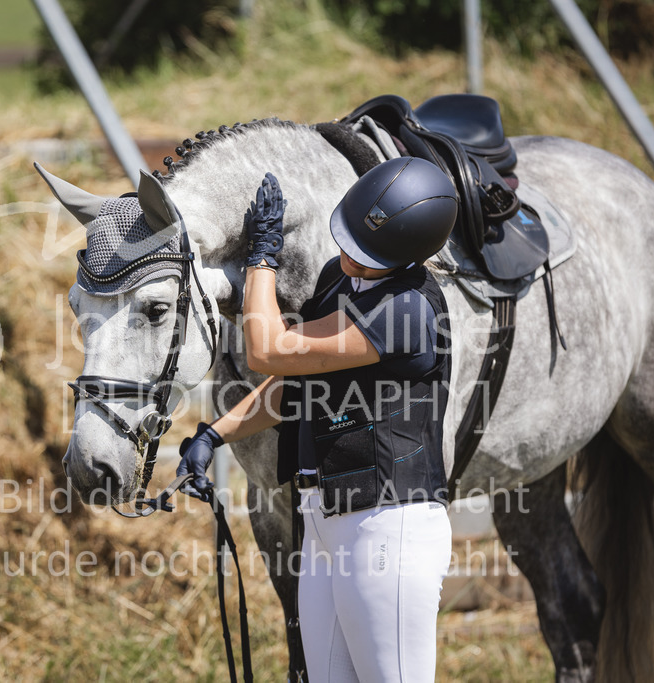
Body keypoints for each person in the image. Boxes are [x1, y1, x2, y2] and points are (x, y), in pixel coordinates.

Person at [177, 157, 459, 682]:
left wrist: (262, 259)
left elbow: (268, 350)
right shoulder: (340, 281)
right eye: (349, 241)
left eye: (366, 253)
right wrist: (214, 434)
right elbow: (294, 384)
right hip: (324, 517)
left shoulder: (406, 309)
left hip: (385, 526)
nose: (349, 257)